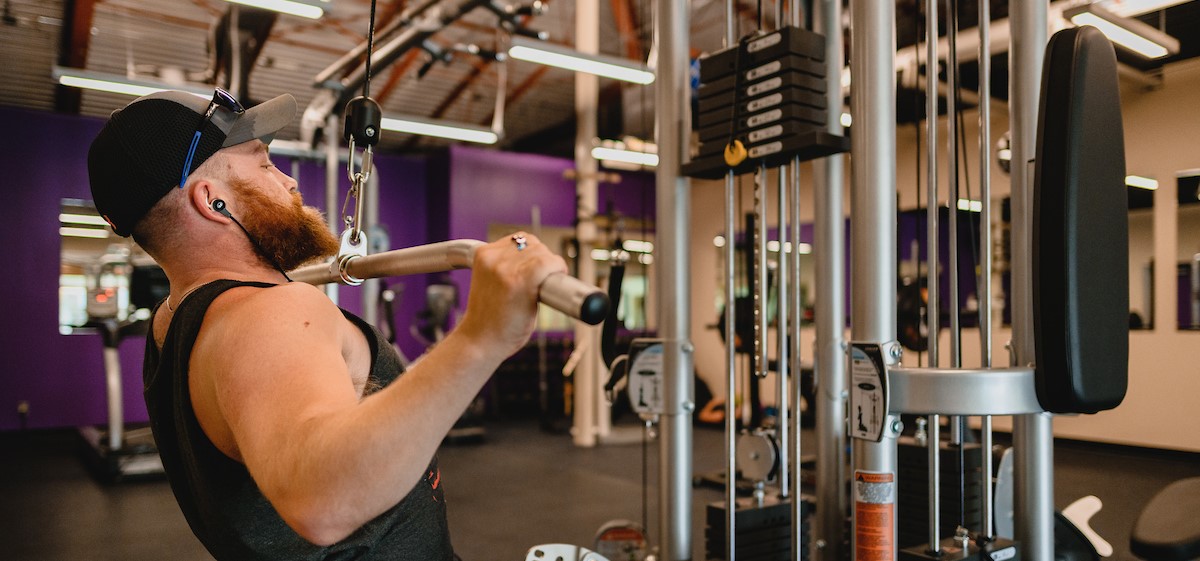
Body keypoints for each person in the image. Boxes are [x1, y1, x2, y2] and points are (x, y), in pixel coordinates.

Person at [87, 89, 566, 560]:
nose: (289, 182)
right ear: (212, 201)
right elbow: (321, 502)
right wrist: (483, 336)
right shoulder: (269, 312)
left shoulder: (171, 324)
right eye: (262, 163)